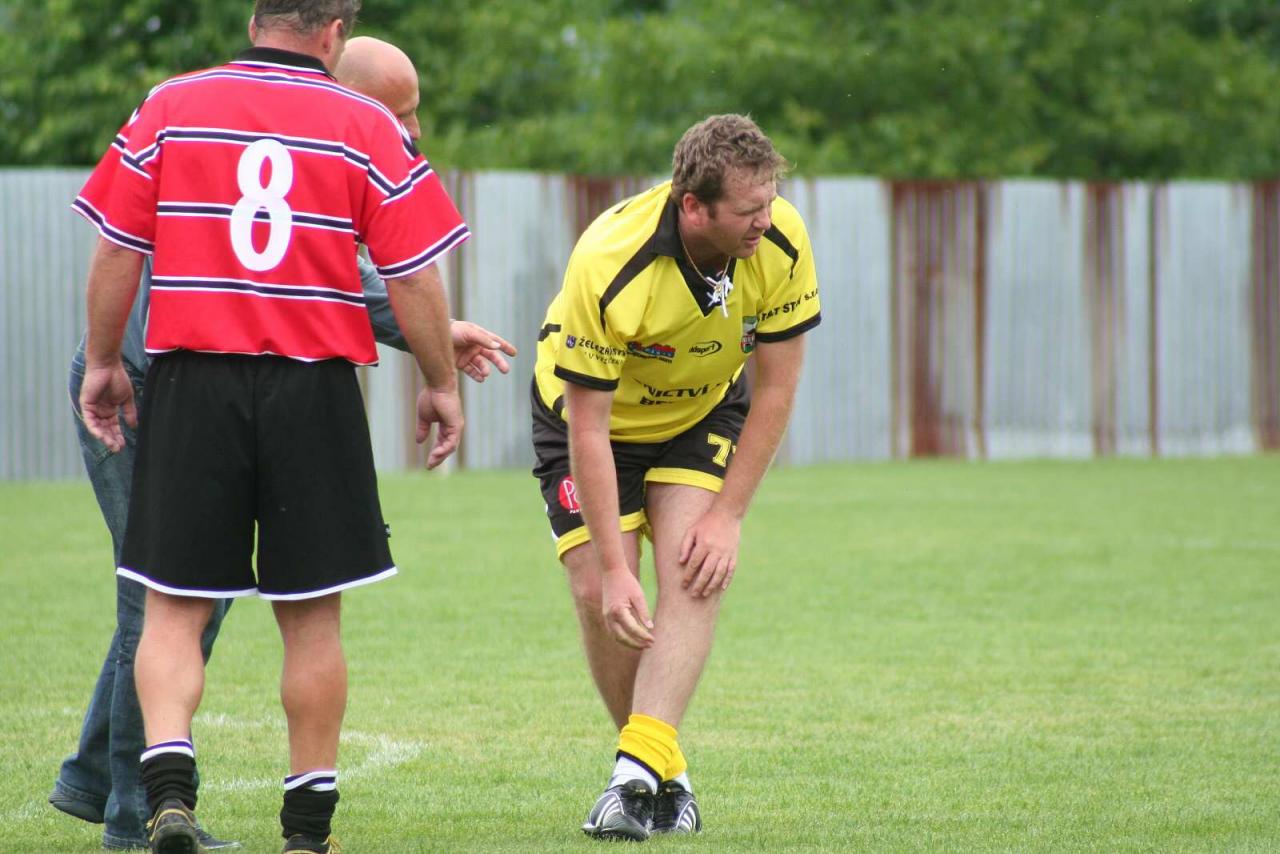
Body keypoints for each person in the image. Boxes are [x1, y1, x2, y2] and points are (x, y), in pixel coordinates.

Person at [52, 33, 515, 850]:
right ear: (334, 51)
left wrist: (432, 336)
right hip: (165, 380)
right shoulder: (345, 126)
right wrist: (437, 368)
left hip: (188, 380)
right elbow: (395, 270)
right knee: (197, 607)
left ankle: (106, 781)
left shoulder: (183, 105)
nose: (413, 130)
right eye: (403, 111)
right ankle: (147, 815)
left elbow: (290, 265)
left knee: (170, 602)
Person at [531, 114, 820, 841]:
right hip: (592, 425)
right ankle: (667, 772)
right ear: (694, 206)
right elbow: (589, 429)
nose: (766, 220)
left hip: (701, 411)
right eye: (748, 210)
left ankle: (632, 777)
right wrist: (613, 567)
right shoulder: (609, 260)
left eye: (769, 202)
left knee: (696, 567)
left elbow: (778, 387)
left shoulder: (781, 238)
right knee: (601, 591)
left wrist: (729, 515)